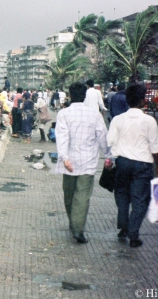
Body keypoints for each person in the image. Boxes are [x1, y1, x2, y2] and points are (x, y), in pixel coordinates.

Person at [106, 83, 158, 248]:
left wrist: (110, 159)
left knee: (122, 196)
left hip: (122, 163)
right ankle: (133, 234)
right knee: (140, 200)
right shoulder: (149, 121)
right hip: (142, 166)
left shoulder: (118, 119)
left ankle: (123, 228)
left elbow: (110, 142)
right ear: (142, 101)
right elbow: (155, 148)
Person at [54, 82, 111, 244]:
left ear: (70, 95)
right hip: (88, 161)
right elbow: (103, 138)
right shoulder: (94, 115)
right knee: (83, 196)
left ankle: (75, 226)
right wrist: (108, 156)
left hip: (69, 162)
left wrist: (64, 158)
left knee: (69, 194)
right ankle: (77, 226)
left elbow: (62, 137)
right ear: (85, 96)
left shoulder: (63, 114)